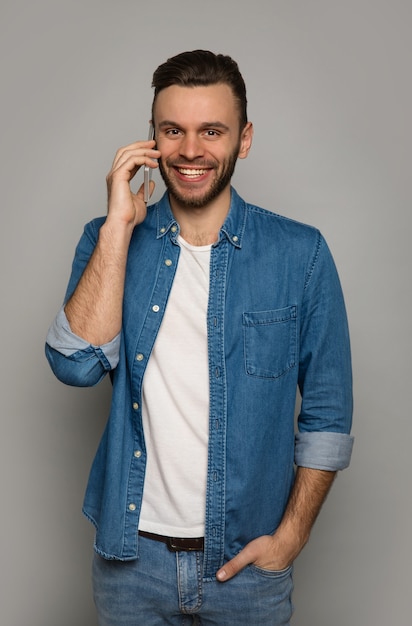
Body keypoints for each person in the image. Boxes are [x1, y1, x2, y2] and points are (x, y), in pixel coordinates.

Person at [45, 50, 354, 625]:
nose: (190, 150)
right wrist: (117, 224)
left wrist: (290, 539)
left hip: (245, 568)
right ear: (152, 140)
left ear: (244, 139)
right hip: (131, 565)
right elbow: (74, 364)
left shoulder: (300, 254)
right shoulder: (109, 241)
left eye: (212, 130)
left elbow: (328, 417)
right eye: (173, 131)